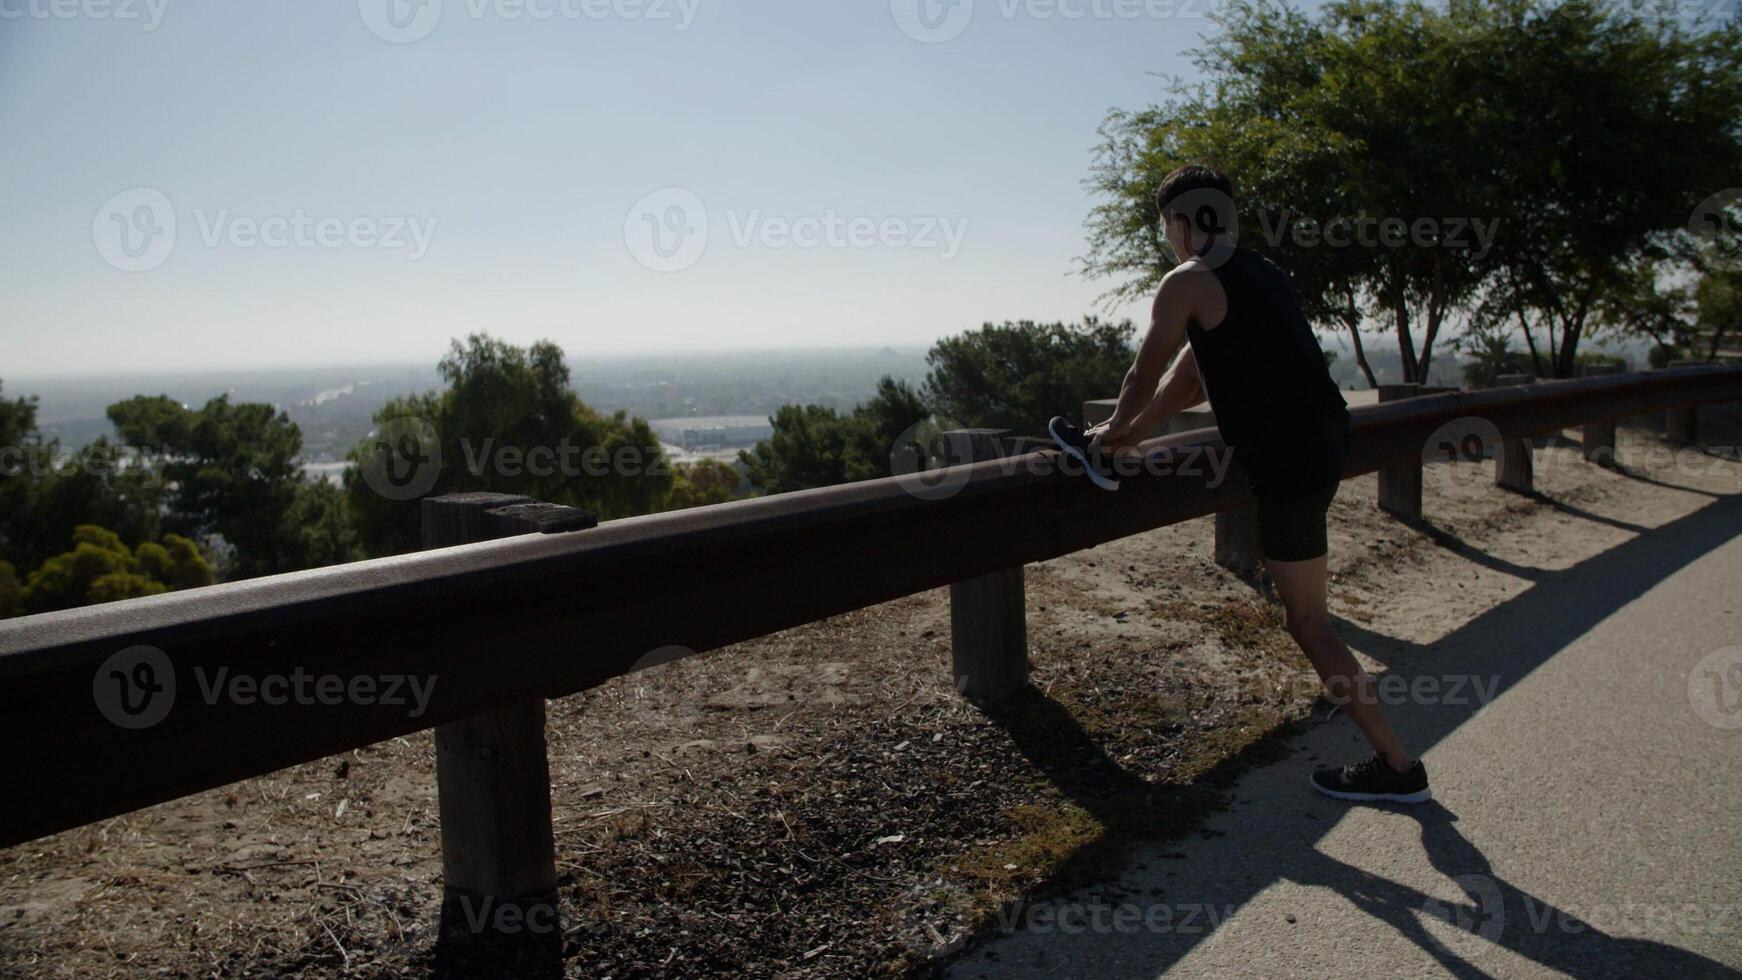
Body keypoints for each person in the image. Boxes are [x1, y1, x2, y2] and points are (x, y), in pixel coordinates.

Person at [1047, 164, 1429, 804]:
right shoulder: (1263, 274)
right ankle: (1375, 730)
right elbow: (1192, 377)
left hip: (1287, 463)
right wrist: (1125, 437)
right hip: (1324, 443)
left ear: (1177, 222)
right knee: (1312, 617)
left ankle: (1396, 765)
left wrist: (1112, 427)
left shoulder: (1186, 282)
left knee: (1309, 624)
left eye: (1165, 226)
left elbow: (1146, 372)